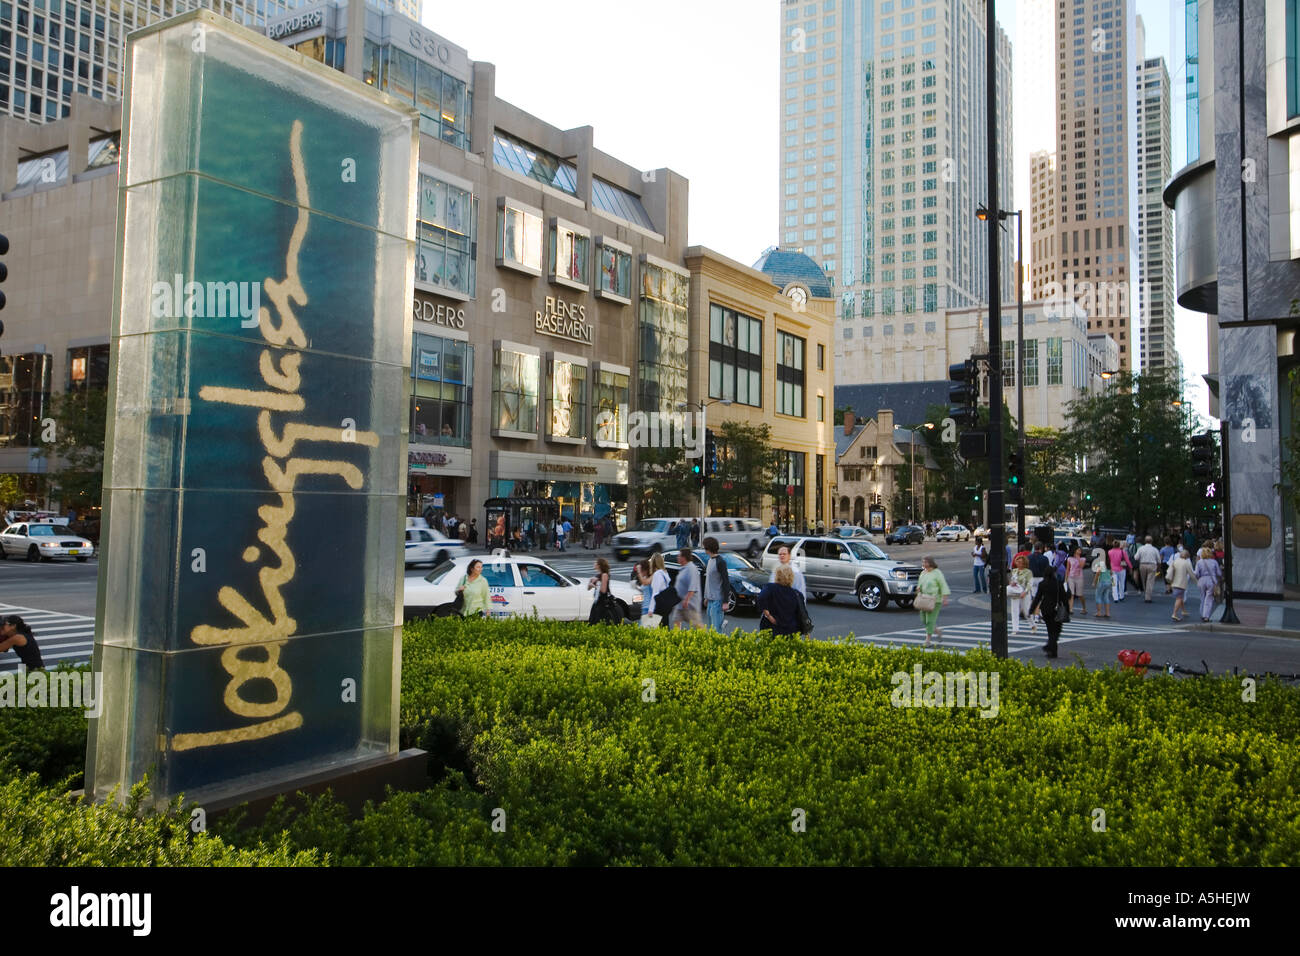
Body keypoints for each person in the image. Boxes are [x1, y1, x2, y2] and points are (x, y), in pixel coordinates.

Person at [1029, 567, 1068, 659]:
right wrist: (1067, 609)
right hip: (1056, 609)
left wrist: (1032, 609)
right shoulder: (1058, 583)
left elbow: (1038, 598)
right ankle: (1051, 648)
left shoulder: (1042, 584)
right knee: (1057, 630)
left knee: (1050, 630)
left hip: (1045, 609)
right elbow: (1064, 597)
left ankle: (1051, 650)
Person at [756, 565, 804, 636]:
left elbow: (760, 599)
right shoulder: (797, 594)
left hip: (771, 628)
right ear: (791, 577)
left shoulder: (770, 588)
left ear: (777, 576)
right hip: (791, 630)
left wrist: (769, 616)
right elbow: (801, 613)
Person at [916, 555, 951, 648]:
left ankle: (928, 640)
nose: (923, 564)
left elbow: (943, 585)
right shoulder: (923, 573)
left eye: (925, 562)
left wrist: (945, 598)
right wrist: (918, 589)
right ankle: (937, 631)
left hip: (935, 600)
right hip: (924, 599)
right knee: (923, 619)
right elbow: (920, 584)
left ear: (930, 563)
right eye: (923, 562)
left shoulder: (937, 573)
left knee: (930, 620)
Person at [670, 548, 704, 629]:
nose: (677, 558)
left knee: (696, 624)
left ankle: (707, 637)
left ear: (684, 557)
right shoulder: (683, 568)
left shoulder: (691, 569)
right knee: (676, 620)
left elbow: (693, 586)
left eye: (679, 556)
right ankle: (676, 638)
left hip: (689, 604)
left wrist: (687, 599)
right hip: (679, 603)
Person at [702, 536, 728, 633]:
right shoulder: (709, 561)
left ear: (708, 548)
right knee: (711, 629)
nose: (704, 549)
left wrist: (725, 602)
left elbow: (726, 581)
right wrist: (706, 597)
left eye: (704, 547)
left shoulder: (720, 562)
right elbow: (709, 581)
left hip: (718, 600)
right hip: (710, 600)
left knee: (716, 630)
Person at [587, 557, 620, 624]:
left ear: (599, 565)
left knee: (599, 620)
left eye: (595, 563)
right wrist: (590, 583)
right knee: (593, 619)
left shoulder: (604, 575)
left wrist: (594, 585)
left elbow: (603, 590)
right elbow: (588, 588)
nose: (594, 564)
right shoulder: (598, 575)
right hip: (597, 600)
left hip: (603, 602)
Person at [1194, 547, 1223, 622]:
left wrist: (1198, 578)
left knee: (1202, 597)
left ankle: (1202, 613)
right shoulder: (1214, 562)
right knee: (1209, 598)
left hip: (1201, 580)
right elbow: (1219, 573)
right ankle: (1206, 616)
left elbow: (1196, 573)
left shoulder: (1199, 562)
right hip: (1211, 580)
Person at [1166, 547, 1194, 621]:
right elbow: (1191, 574)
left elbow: (1169, 570)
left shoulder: (1175, 561)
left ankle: (1183, 610)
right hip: (1181, 583)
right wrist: (1197, 581)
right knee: (1179, 598)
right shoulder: (1186, 563)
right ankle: (1174, 614)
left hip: (1174, 582)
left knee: (1180, 597)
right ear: (1187, 556)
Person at [1008, 555, 1032, 635]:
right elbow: (1011, 581)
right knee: (1014, 610)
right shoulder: (1014, 571)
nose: (1018, 564)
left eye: (1020, 562)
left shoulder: (1028, 572)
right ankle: (1015, 629)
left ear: (1024, 563)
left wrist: (1025, 592)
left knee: (1026, 611)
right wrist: (1011, 583)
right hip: (1015, 592)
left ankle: (1032, 625)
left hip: (1024, 592)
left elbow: (1030, 583)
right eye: (1017, 562)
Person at [1134, 536, 1161, 603]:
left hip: (1142, 565)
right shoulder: (1155, 549)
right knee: (1150, 581)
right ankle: (1148, 597)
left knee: (1144, 581)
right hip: (1152, 565)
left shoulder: (1141, 548)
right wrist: (1159, 569)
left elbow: (1136, 558)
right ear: (1152, 541)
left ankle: (1146, 593)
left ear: (1145, 541)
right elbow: (1159, 560)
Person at [1107, 538, 1133, 602]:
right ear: (1119, 545)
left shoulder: (1109, 552)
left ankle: (1115, 597)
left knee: (1114, 584)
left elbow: (1109, 561)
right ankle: (1121, 596)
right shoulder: (1123, 552)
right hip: (1122, 569)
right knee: (1122, 583)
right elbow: (1127, 560)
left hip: (1113, 569)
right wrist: (1131, 567)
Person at [1091, 548, 1113, 619]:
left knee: (1098, 596)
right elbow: (1111, 573)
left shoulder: (1100, 563)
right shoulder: (1109, 563)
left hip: (1102, 581)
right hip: (1108, 582)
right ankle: (1107, 613)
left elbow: (1097, 573)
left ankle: (1099, 612)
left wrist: (1094, 582)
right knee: (1106, 597)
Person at [1066, 546, 1087, 615]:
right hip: (1071, 577)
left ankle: (1084, 608)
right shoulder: (1069, 558)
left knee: (1080, 594)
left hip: (1079, 577)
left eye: (1080, 550)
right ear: (1074, 550)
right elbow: (1068, 569)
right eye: (1078, 550)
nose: (1079, 551)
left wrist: (1078, 558)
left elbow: (1081, 566)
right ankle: (1070, 609)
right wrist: (1065, 579)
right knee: (1071, 593)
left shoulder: (1083, 559)